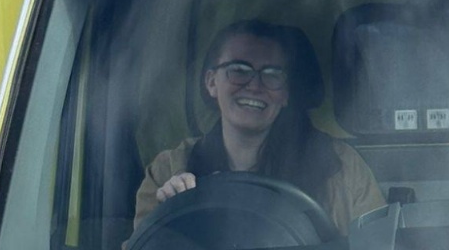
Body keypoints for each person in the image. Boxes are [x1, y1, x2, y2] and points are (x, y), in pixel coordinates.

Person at [132, 19, 384, 236]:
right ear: (211, 82)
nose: (254, 86)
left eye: (272, 74)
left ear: (286, 94)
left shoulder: (341, 167)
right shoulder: (168, 169)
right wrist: (168, 213)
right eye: (239, 70)